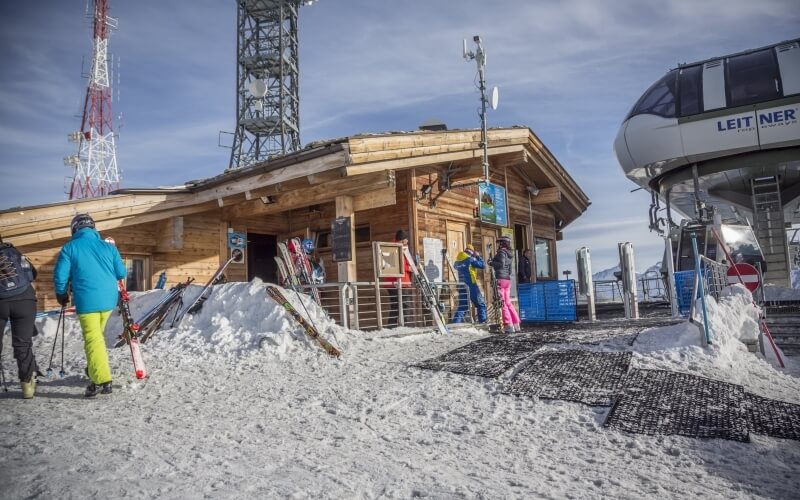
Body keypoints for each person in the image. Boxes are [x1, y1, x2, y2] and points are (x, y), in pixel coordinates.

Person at [53, 214, 126, 398]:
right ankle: (94, 372)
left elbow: (61, 275)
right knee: (96, 339)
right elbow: (121, 272)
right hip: (109, 300)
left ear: (75, 229)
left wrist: (61, 293)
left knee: (93, 339)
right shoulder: (107, 247)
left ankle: (103, 379)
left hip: (87, 301)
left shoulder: (70, 248)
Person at [0, 235, 40, 399]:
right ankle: (27, 387)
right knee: (23, 345)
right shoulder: (13, 251)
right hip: (24, 299)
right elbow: (32, 272)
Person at [490, 236, 521, 333]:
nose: (498, 245)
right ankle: (516, 324)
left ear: (502, 243)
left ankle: (508, 325)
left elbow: (501, 264)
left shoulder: (501, 252)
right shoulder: (510, 254)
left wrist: (491, 263)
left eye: (499, 243)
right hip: (507, 279)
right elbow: (510, 269)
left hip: (500, 279)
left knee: (502, 303)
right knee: (508, 303)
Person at [451, 244, 488, 323]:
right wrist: (478, 256)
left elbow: (455, 267)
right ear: (471, 252)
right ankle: (483, 322)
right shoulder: (471, 259)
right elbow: (483, 265)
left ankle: (455, 324)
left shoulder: (457, 262)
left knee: (463, 306)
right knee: (480, 304)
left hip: (461, 285)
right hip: (471, 285)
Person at [385, 229, 413, 327]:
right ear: (402, 240)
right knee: (406, 306)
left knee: (395, 307)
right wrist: (410, 268)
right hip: (401, 282)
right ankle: (407, 326)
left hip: (390, 283)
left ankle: (391, 327)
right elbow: (398, 265)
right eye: (406, 239)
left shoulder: (389, 247)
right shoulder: (398, 249)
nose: (407, 241)